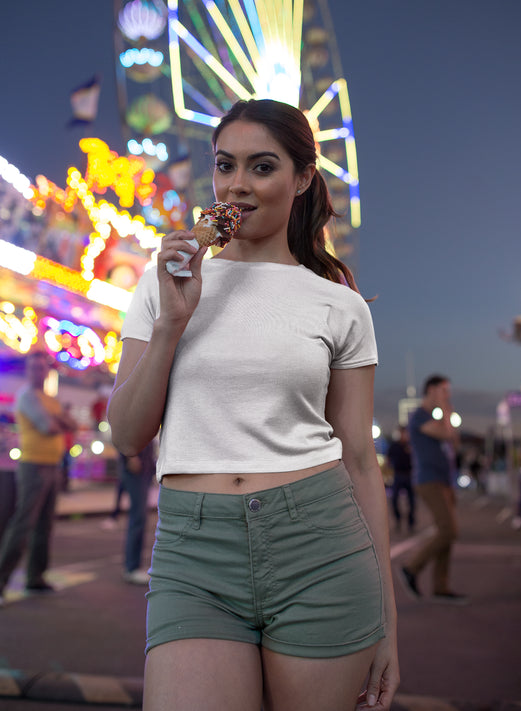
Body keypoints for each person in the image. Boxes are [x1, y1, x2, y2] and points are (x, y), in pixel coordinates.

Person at [108, 98, 399, 711]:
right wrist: (172, 322)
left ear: (300, 179)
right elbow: (127, 435)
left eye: (262, 167)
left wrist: (388, 622)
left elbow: (361, 463)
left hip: (320, 540)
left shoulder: (340, 306)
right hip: (194, 546)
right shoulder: (163, 284)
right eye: (225, 165)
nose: (237, 185)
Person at [0, 351, 77, 606]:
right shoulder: (27, 396)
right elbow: (50, 427)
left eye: (41, 367)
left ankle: (36, 579)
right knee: (23, 524)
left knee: (44, 526)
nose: (37, 372)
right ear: (28, 370)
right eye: (33, 367)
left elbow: (71, 423)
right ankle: (1, 581)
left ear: (47, 371)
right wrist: (60, 419)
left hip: (52, 466)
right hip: (33, 466)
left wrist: (60, 419)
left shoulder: (49, 399)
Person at [400, 374, 467, 604]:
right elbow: (447, 434)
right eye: (444, 390)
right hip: (428, 480)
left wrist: (444, 411)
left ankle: (441, 585)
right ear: (431, 390)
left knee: (445, 532)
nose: (447, 395)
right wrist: (445, 410)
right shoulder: (419, 415)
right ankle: (411, 567)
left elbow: (455, 442)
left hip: (444, 480)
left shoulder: (435, 417)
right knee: (449, 529)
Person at [119, 441, 156, 584]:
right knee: (138, 518)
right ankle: (131, 567)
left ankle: (134, 566)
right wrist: (130, 456)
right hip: (136, 467)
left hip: (144, 466)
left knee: (140, 518)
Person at [386, 426, 415, 532]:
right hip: (398, 475)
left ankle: (411, 523)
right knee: (394, 500)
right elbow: (388, 459)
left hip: (409, 475)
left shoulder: (411, 445)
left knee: (412, 501)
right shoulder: (394, 446)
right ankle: (398, 520)